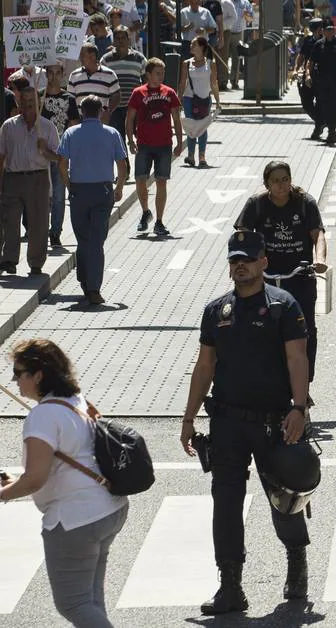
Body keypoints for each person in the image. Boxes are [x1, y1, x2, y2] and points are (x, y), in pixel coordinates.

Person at [181, 229, 312, 614]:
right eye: (234, 259)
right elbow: (204, 366)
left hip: (275, 422)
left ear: (263, 262)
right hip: (227, 423)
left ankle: (297, 563)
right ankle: (230, 585)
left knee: (284, 498)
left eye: (248, 259)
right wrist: (188, 418)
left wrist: (299, 409)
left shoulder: (283, 306)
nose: (240, 265)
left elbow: (297, 360)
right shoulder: (216, 310)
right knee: (225, 502)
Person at [0, 339, 129, 627]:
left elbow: (35, 479)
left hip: (75, 521)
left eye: (19, 372)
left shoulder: (42, 416)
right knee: (91, 599)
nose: (14, 380)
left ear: (38, 375)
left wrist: (3, 494)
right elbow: (69, 458)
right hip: (109, 508)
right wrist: (13, 482)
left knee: (74, 603)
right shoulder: (77, 400)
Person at [234, 161, 328, 381]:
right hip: (266, 277)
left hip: (299, 276)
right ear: (267, 183)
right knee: (257, 326)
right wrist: (249, 262)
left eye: (285, 179)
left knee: (305, 329)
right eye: (275, 181)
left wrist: (320, 259)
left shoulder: (305, 203)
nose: (281, 185)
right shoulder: (257, 204)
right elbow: (242, 235)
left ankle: (304, 384)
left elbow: (318, 235)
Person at [58, 96, 127, 305]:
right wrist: (119, 187)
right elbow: (122, 164)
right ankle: (93, 288)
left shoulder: (71, 133)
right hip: (102, 191)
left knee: (83, 239)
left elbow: (62, 164)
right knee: (97, 241)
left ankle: (85, 281)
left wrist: (70, 186)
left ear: (82, 112)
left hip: (79, 191)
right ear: (100, 112)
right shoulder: (112, 133)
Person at [0, 86, 62, 276]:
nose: (27, 105)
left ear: (38, 103)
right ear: (18, 103)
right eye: (24, 101)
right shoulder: (8, 126)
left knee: (38, 222)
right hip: (13, 178)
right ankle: (9, 260)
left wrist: (45, 150)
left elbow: (58, 157)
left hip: (38, 178)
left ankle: (36, 263)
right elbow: (1, 156)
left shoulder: (47, 126)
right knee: (10, 222)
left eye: (31, 102)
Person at [124, 58, 184, 237]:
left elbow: (176, 119)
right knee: (140, 179)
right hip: (144, 144)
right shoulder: (138, 93)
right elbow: (129, 118)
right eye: (157, 73)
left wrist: (180, 142)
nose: (161, 76)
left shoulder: (170, 93)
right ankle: (145, 212)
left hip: (164, 144)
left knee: (161, 181)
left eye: (162, 73)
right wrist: (130, 140)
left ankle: (159, 221)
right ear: (148, 75)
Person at [41, 66, 81, 249]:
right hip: (39, 153)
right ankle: (37, 230)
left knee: (58, 195)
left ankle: (55, 231)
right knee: (40, 196)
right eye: (50, 73)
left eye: (58, 73)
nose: (54, 77)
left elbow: (73, 127)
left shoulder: (69, 99)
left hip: (60, 154)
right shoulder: (38, 97)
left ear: (63, 75)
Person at [98, 27, 146, 142]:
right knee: (118, 139)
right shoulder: (105, 60)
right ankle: (124, 160)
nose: (120, 41)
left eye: (123, 38)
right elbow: (101, 82)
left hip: (134, 106)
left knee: (141, 136)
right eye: (117, 38)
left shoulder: (140, 59)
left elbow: (146, 81)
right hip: (114, 107)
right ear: (114, 40)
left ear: (129, 39)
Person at [178, 36, 219, 168]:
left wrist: (218, 101)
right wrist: (178, 99)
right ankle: (190, 155)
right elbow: (182, 83)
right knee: (191, 126)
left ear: (202, 47)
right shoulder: (186, 63)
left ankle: (202, 156)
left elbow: (214, 83)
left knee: (202, 126)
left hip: (205, 99)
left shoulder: (210, 64)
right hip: (189, 98)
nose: (191, 46)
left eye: (194, 44)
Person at [308, 21, 336, 145]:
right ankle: (320, 126)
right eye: (327, 29)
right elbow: (311, 63)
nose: (330, 31)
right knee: (321, 105)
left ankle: (332, 131)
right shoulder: (318, 45)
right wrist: (307, 76)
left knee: (333, 105)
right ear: (323, 31)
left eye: (332, 29)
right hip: (321, 81)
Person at [67, 44, 120, 127]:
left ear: (92, 56)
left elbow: (116, 95)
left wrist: (108, 112)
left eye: (82, 55)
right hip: (80, 123)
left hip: (101, 122)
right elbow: (70, 99)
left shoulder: (110, 74)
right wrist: (74, 119)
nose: (80, 58)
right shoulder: (74, 75)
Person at [219, 0, 250, 90]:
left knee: (237, 58)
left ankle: (234, 81)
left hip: (238, 32)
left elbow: (250, 18)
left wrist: (247, 15)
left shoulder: (245, 2)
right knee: (224, 56)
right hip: (226, 32)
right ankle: (223, 81)